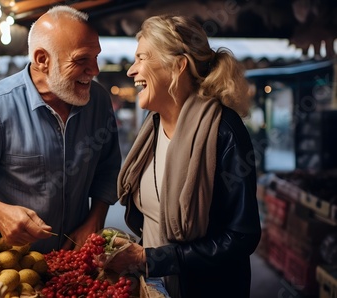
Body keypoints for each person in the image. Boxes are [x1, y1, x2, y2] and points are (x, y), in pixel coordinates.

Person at [0, 5, 121, 253]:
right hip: (2, 265)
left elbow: (108, 169)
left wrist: (95, 219)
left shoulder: (98, 101)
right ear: (42, 59)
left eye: (96, 57)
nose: (94, 70)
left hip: (69, 261)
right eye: (81, 60)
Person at [104, 15, 261, 298]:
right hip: (155, 287)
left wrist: (151, 258)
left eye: (141, 58)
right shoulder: (151, 126)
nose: (131, 71)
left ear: (177, 66)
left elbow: (242, 236)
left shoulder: (224, 132)